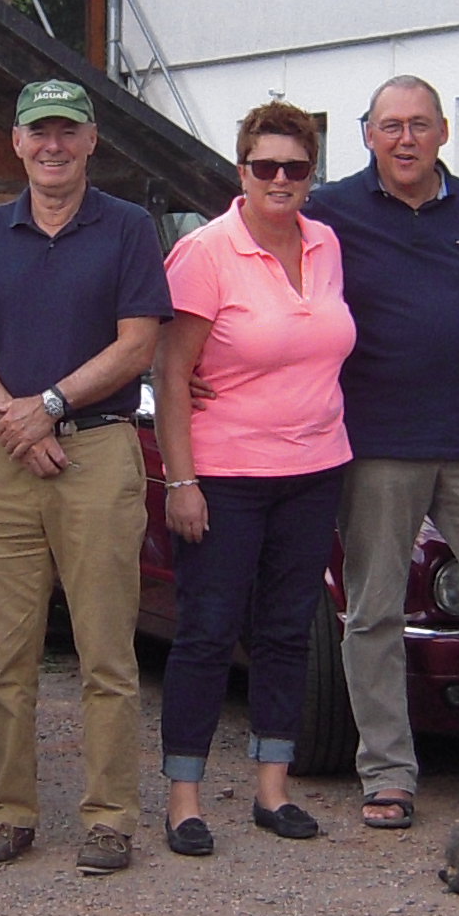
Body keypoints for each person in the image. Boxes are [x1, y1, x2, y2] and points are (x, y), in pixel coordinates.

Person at [310, 76, 459, 833]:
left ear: (445, 132)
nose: (405, 139)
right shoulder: (330, 210)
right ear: (368, 135)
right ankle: (388, 774)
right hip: (376, 446)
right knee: (373, 614)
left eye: (419, 124)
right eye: (390, 126)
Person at [0, 80, 171, 877]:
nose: (53, 146)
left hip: (98, 449)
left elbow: (138, 343)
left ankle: (109, 820)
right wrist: (15, 419)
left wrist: (51, 405)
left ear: (90, 140)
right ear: (16, 141)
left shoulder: (128, 227)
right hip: (3, 454)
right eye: (39, 131)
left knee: (106, 649)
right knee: (7, 653)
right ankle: (10, 812)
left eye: (67, 132)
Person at [154, 101, 355, 855]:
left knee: (286, 632)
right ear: (241, 171)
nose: (280, 178)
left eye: (295, 167)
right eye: (265, 165)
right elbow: (171, 373)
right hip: (226, 475)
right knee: (207, 633)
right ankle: (184, 799)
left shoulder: (327, 244)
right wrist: (181, 482)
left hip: (314, 468)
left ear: (311, 174)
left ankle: (273, 788)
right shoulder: (205, 252)